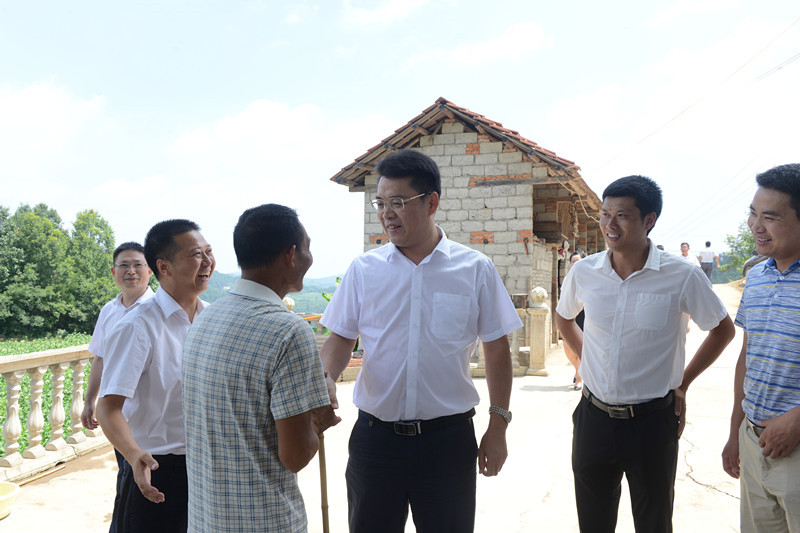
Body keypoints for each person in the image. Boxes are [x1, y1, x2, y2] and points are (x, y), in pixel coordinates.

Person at [319, 149, 522, 532]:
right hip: (376, 443)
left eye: (398, 202)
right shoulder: (365, 270)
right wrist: (327, 375)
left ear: (431, 203)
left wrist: (498, 426)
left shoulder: (474, 269)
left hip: (447, 444)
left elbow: (497, 349)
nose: (386, 213)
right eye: (381, 203)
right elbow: (341, 337)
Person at [555, 175, 735, 533]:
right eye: (605, 214)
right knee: (592, 522)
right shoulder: (584, 271)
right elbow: (564, 319)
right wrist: (589, 362)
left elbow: (722, 330)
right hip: (593, 419)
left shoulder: (681, 275)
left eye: (622, 215)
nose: (610, 224)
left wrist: (683, 383)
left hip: (651, 423)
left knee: (654, 523)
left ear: (649, 220)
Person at [182, 204, 340, 532]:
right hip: (264, 520)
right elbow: (295, 456)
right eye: (307, 248)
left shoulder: (206, 317)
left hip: (207, 519)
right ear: (290, 255)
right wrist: (318, 419)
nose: (310, 258)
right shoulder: (289, 331)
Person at [96, 219, 215, 533]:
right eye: (196, 254)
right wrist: (133, 454)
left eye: (209, 252)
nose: (207, 262)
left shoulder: (212, 319)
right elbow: (107, 407)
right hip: (156, 469)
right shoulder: (137, 326)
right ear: (164, 266)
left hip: (206, 466)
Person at [721, 163, 800, 532]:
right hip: (754, 444)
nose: (756, 226)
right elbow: (747, 357)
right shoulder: (755, 276)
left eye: (770, 217)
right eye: (753, 213)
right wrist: (736, 432)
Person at [81, 241, 153, 533]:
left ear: (150, 271)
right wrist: (89, 401)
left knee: (144, 492)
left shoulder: (159, 311)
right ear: (113, 272)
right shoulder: (108, 311)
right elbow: (100, 358)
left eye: (137, 265)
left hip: (151, 421)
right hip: (118, 418)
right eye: (124, 265)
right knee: (125, 483)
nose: (131, 271)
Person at [564, 251, 585, 390]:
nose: (575, 264)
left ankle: (579, 378)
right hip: (570, 315)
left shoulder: (589, 277)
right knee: (568, 347)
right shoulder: (567, 278)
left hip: (585, 314)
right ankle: (578, 370)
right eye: (573, 261)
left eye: (578, 261)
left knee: (582, 347)